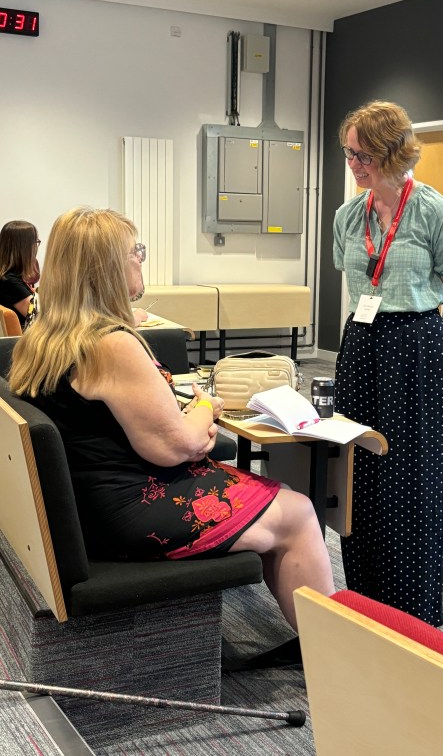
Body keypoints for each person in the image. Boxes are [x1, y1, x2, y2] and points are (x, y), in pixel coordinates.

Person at [9, 207, 334, 634]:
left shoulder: (42, 336)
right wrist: (205, 407)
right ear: (106, 269)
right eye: (134, 252)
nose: (140, 259)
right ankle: (334, 658)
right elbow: (178, 448)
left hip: (89, 504)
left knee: (283, 497)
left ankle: (311, 637)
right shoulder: (110, 345)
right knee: (299, 512)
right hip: (127, 511)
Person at [333, 100, 443, 627]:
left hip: (417, 346)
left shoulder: (434, 212)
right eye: (348, 154)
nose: (354, 165)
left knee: (413, 474)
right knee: (359, 468)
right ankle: (364, 595)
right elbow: (353, 286)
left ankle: (412, 606)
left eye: (363, 154)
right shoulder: (349, 216)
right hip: (362, 344)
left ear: (394, 152)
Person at [0, 220, 40, 330]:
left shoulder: (10, 277)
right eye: (35, 242)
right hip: (25, 341)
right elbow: (39, 317)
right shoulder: (9, 281)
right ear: (25, 248)